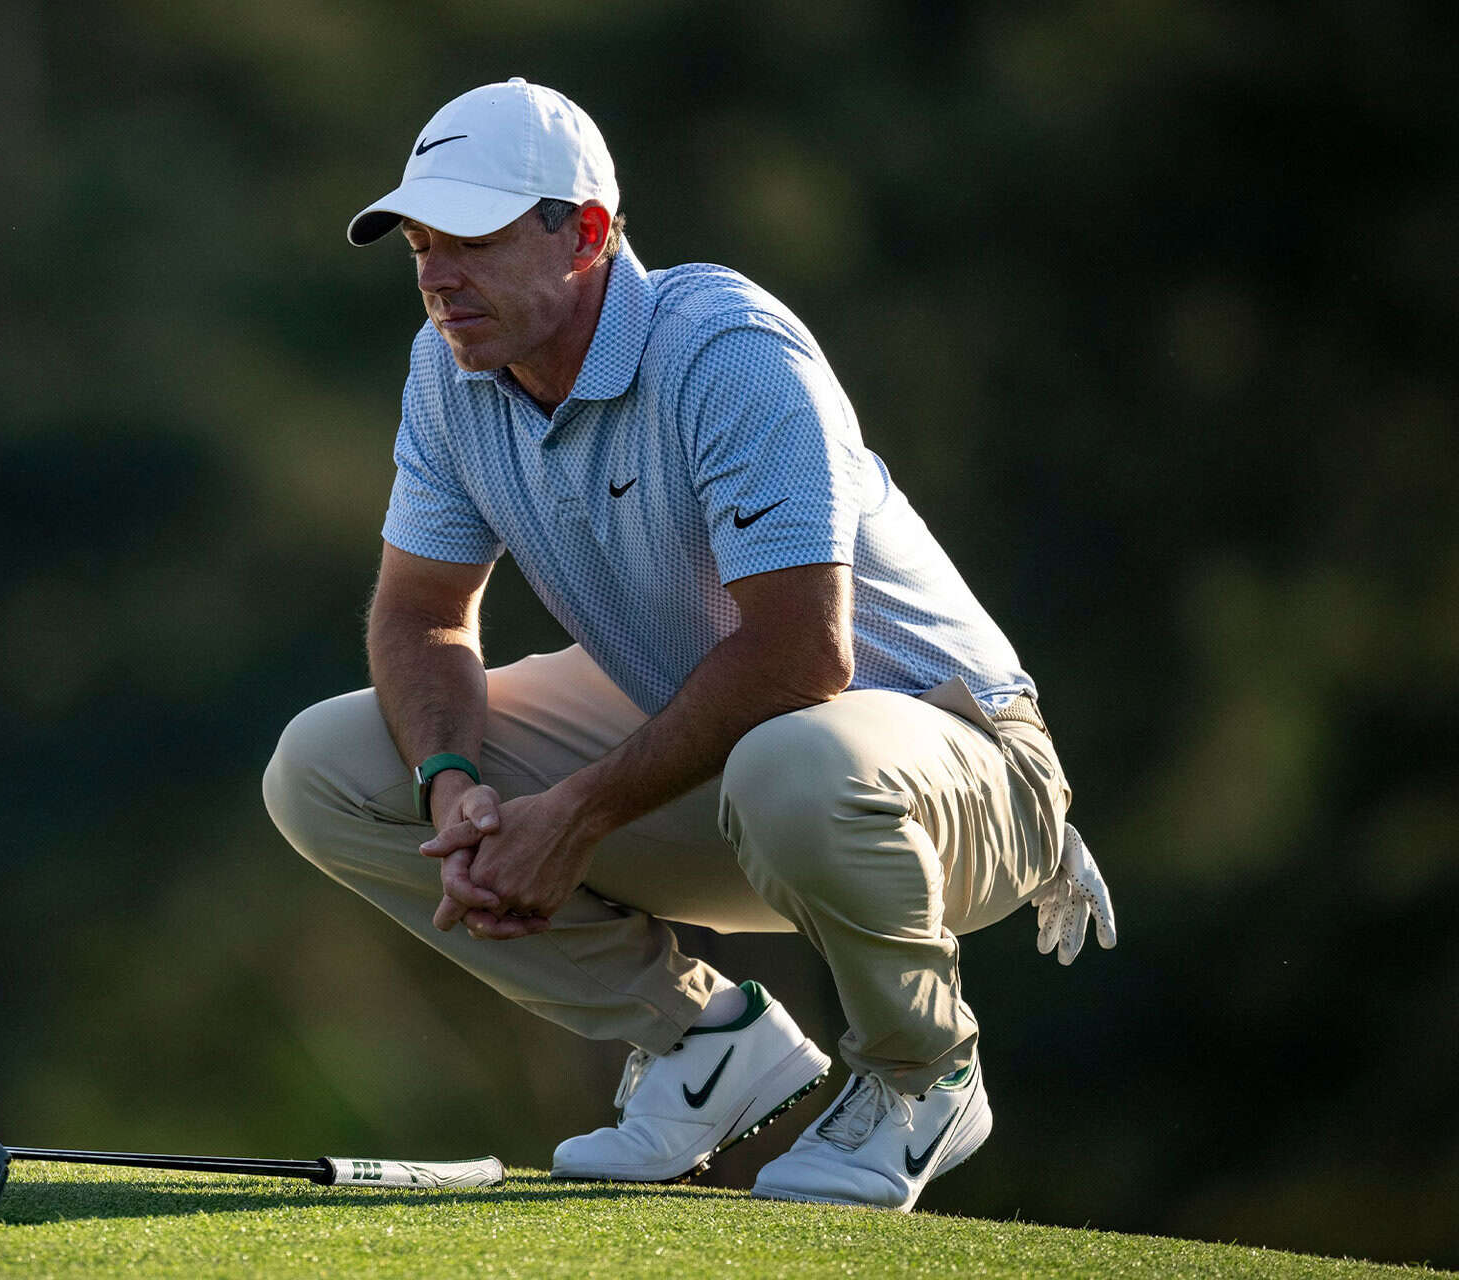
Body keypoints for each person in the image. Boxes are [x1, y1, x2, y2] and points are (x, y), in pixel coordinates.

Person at [263, 78, 1116, 1210]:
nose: (435, 274)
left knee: (794, 757)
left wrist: (571, 815)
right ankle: (700, 1042)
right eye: (420, 242)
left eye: (469, 237)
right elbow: (422, 613)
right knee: (328, 765)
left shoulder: (725, 346)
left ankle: (922, 1071)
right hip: (739, 753)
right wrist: (454, 786)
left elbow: (803, 655)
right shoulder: (450, 371)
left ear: (589, 233)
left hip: (964, 760)